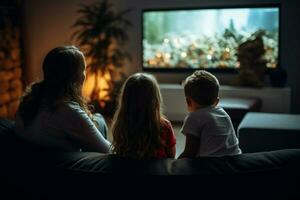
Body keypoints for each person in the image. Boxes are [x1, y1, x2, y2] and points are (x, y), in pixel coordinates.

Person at [15, 46, 111, 153]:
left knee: (96, 119)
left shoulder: (29, 98)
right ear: (75, 78)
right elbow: (107, 150)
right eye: (84, 70)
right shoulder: (68, 111)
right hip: (63, 165)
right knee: (100, 119)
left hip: (30, 158)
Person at [111, 73, 176, 159]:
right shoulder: (164, 126)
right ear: (155, 100)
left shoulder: (121, 125)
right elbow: (171, 156)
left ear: (125, 101)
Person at [179, 70, 241, 158]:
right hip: (236, 160)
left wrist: (175, 163)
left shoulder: (194, 117)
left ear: (188, 101)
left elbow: (190, 152)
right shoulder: (223, 113)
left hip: (213, 166)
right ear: (217, 101)